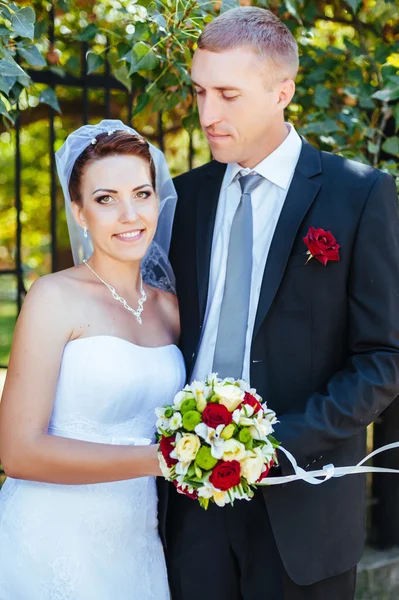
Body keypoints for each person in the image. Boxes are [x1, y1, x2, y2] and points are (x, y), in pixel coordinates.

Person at [165, 7, 399, 600]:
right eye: (199, 92)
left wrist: (275, 445)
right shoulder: (184, 198)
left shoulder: (358, 195)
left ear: (282, 92)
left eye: (227, 94)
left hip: (305, 508)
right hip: (190, 509)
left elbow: (383, 357)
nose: (207, 113)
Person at [0, 120, 185, 599]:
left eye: (141, 194)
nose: (129, 214)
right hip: (50, 539)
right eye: (106, 199)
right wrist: (157, 460)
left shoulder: (171, 309)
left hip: (136, 541)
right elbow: (17, 453)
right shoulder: (54, 297)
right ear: (80, 212)